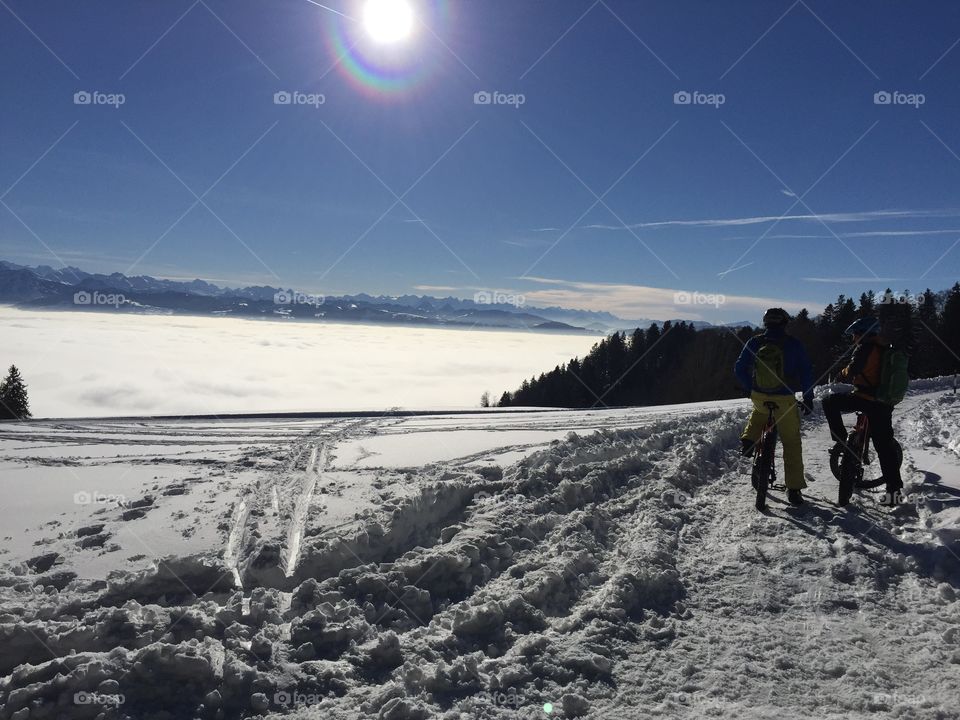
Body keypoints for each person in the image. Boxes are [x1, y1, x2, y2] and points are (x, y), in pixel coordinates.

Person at [734, 308, 815, 507]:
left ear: (765, 323)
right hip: (784, 400)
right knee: (791, 443)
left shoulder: (755, 342)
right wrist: (808, 397)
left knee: (759, 411)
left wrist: (749, 387)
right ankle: (794, 490)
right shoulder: (794, 345)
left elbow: (738, 368)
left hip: (759, 396)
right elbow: (805, 371)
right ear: (785, 323)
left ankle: (748, 440)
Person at [822, 317, 903, 506]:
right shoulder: (887, 348)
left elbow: (853, 370)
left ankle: (841, 442)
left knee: (828, 401)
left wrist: (840, 374)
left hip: (864, 398)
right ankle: (894, 492)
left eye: (854, 335)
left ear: (862, 334)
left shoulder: (865, 347)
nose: (853, 339)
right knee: (884, 447)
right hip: (883, 402)